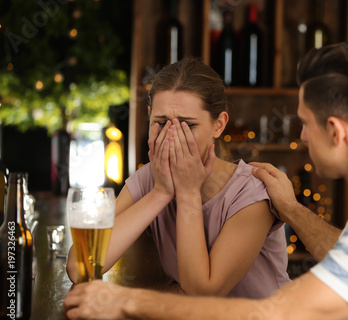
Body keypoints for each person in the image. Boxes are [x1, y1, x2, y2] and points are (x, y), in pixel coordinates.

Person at [64, 43, 348, 320]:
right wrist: (291, 210)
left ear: (335, 131)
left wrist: (124, 300)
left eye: (306, 123)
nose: (303, 138)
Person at [65, 57, 291, 298]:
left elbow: (203, 293)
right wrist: (160, 192)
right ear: (149, 116)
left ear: (218, 125)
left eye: (187, 125)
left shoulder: (252, 192)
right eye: (161, 123)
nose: (172, 137)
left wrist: (187, 193)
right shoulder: (149, 178)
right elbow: (80, 268)